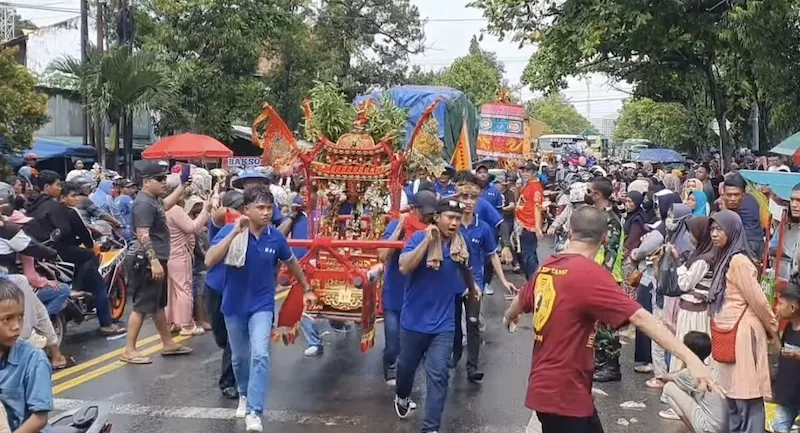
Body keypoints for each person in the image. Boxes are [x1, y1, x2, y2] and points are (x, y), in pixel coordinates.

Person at [504, 205, 718, 433]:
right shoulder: (590, 274)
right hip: (563, 394)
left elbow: (519, 301)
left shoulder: (548, 266)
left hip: (554, 388)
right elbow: (642, 318)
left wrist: (509, 316)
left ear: (569, 232)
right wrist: (693, 361)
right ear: (605, 238)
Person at [205, 185, 313, 433]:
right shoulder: (230, 230)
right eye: (260, 208)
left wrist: (306, 287)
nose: (266, 213)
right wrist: (234, 233)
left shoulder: (274, 236)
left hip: (262, 305)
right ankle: (244, 393)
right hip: (233, 305)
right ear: (246, 209)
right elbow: (210, 260)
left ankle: (254, 411)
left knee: (261, 354)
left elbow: (291, 261)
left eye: (269, 208)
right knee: (240, 358)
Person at [393, 199, 481, 433]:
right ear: (437, 218)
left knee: (439, 375)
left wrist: (473, 289)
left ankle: (430, 428)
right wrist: (426, 241)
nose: (454, 223)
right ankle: (401, 396)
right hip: (413, 322)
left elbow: (465, 268)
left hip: (443, 324)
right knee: (405, 368)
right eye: (449, 217)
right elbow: (404, 267)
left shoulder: (460, 246)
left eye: (457, 218)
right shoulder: (417, 238)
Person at [24, 173, 126, 336]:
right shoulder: (60, 209)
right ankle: (105, 324)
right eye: (57, 185)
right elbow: (77, 234)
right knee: (98, 284)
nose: (58, 188)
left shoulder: (30, 207)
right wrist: (86, 245)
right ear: (46, 187)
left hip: (36, 256)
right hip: (61, 253)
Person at [709, 210, 778, 433]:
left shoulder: (739, 261)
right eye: (712, 229)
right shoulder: (724, 257)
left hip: (742, 333)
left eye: (720, 229)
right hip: (728, 331)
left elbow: (758, 300)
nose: (714, 234)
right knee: (733, 395)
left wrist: (772, 328)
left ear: (733, 231)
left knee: (747, 394)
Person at [122, 163, 193, 364]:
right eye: (159, 179)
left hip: (156, 258)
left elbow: (166, 205)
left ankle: (168, 343)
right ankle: (129, 349)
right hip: (145, 259)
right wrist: (153, 261)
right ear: (146, 182)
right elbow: (143, 234)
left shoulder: (152, 201)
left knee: (157, 305)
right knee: (141, 306)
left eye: (164, 178)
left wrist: (182, 186)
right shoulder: (143, 203)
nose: (164, 182)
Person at [451, 173, 516, 382]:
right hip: (450, 283)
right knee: (452, 324)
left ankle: (472, 367)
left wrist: (503, 280)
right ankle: (455, 354)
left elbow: (491, 255)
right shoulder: (450, 224)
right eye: (464, 197)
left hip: (475, 283)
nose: (468, 202)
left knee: (472, 322)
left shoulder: (483, 227)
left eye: (472, 198)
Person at [377, 189, 438, 385]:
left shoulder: (435, 229)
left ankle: (407, 374)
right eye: (424, 212)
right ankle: (390, 366)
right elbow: (383, 255)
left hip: (420, 296)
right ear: (413, 209)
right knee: (393, 344)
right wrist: (399, 228)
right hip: (395, 294)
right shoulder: (398, 225)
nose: (428, 215)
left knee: (414, 344)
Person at [205, 190, 245, 399]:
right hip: (215, 288)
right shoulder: (221, 226)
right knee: (221, 337)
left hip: (235, 291)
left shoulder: (250, 228)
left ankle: (228, 381)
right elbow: (218, 214)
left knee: (231, 338)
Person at [0, 278, 52, 433]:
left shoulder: (34, 360)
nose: (16, 326)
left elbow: (40, 418)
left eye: (20, 317)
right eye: (7, 319)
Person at [660, 331, 728, 433]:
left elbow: (664, 377)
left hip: (709, 427)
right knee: (692, 390)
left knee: (669, 387)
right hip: (727, 427)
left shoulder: (690, 374)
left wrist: (685, 360)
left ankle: (694, 430)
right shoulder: (712, 369)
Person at [771, 279, 800, 433]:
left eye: (781, 304)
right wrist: (774, 332)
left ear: (793, 307)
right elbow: (781, 351)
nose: (777, 307)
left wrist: (797, 356)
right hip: (787, 394)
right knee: (780, 427)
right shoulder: (789, 327)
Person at [720, 174, 764, 259]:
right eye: (729, 195)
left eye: (736, 195)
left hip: (745, 244)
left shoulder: (736, 204)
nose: (732, 199)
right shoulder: (753, 198)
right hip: (758, 240)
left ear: (742, 194)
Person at [515, 162, 544, 280]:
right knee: (525, 254)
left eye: (528, 171)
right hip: (522, 224)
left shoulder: (536, 187)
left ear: (534, 173)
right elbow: (520, 201)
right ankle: (531, 281)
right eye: (524, 171)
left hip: (529, 226)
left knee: (529, 256)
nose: (525, 173)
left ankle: (534, 281)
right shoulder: (527, 185)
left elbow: (537, 207)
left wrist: (537, 228)